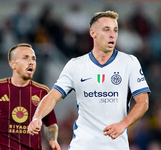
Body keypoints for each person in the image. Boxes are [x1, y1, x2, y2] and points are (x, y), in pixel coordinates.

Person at [28, 11, 151, 150]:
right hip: (82, 145)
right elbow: (51, 98)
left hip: (116, 146)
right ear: (93, 33)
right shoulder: (75, 65)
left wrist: (123, 124)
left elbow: (143, 102)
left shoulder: (129, 62)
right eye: (106, 30)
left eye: (115, 30)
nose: (112, 34)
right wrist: (37, 117)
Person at [0, 43, 60, 150]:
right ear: (12, 64)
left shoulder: (42, 92)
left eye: (33, 59)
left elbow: (50, 124)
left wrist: (53, 140)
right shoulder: (1, 88)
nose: (31, 62)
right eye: (25, 58)